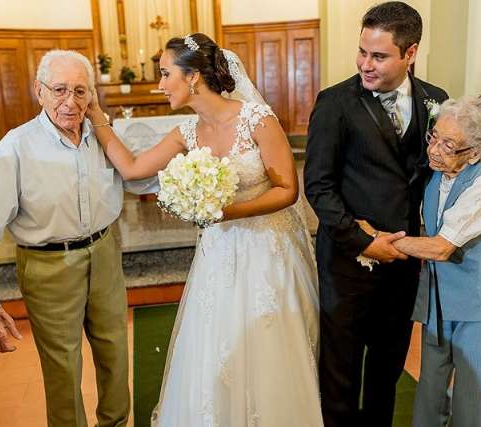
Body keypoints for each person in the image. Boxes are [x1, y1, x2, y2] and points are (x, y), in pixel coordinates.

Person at [86, 33, 323, 426]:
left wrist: (228, 212)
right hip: (217, 258)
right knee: (216, 344)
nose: (159, 85)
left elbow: (287, 190)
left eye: (165, 74)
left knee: (267, 347)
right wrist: (95, 116)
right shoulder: (186, 133)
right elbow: (131, 169)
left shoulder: (256, 119)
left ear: (193, 76)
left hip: (266, 252)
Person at [0, 50, 157, 427]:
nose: (70, 101)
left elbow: (140, 178)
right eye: (60, 89)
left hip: (105, 253)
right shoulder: (15, 148)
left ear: (92, 96)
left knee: (115, 351)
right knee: (63, 367)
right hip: (47, 265)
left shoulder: (102, 135)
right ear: (39, 91)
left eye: (81, 91)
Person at [304, 2, 449, 426]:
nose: (365, 64)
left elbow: (449, 174)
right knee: (341, 372)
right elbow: (319, 187)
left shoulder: (435, 101)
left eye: (379, 55)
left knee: (388, 369)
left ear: (411, 52)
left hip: (405, 263)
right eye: (362, 52)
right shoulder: (335, 103)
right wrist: (365, 241)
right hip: (347, 261)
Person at [378, 96, 481, 427]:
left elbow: (441, 247)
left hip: (479, 305)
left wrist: (377, 242)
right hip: (439, 301)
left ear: (474, 152)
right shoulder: (436, 173)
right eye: (435, 137)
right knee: (429, 395)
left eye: (448, 145)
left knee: (470, 402)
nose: (434, 149)